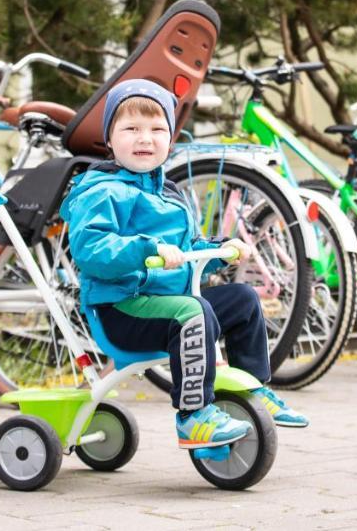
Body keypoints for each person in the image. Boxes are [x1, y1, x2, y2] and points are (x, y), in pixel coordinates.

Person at [60, 79, 309, 449]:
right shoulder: (100, 190)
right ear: (110, 140)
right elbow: (90, 249)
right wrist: (147, 249)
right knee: (192, 311)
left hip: (171, 305)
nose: (145, 138)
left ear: (171, 139)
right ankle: (193, 414)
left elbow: (188, 249)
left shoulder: (169, 192)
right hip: (123, 309)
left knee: (242, 299)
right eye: (131, 129)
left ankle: (251, 391)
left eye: (157, 129)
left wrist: (219, 250)